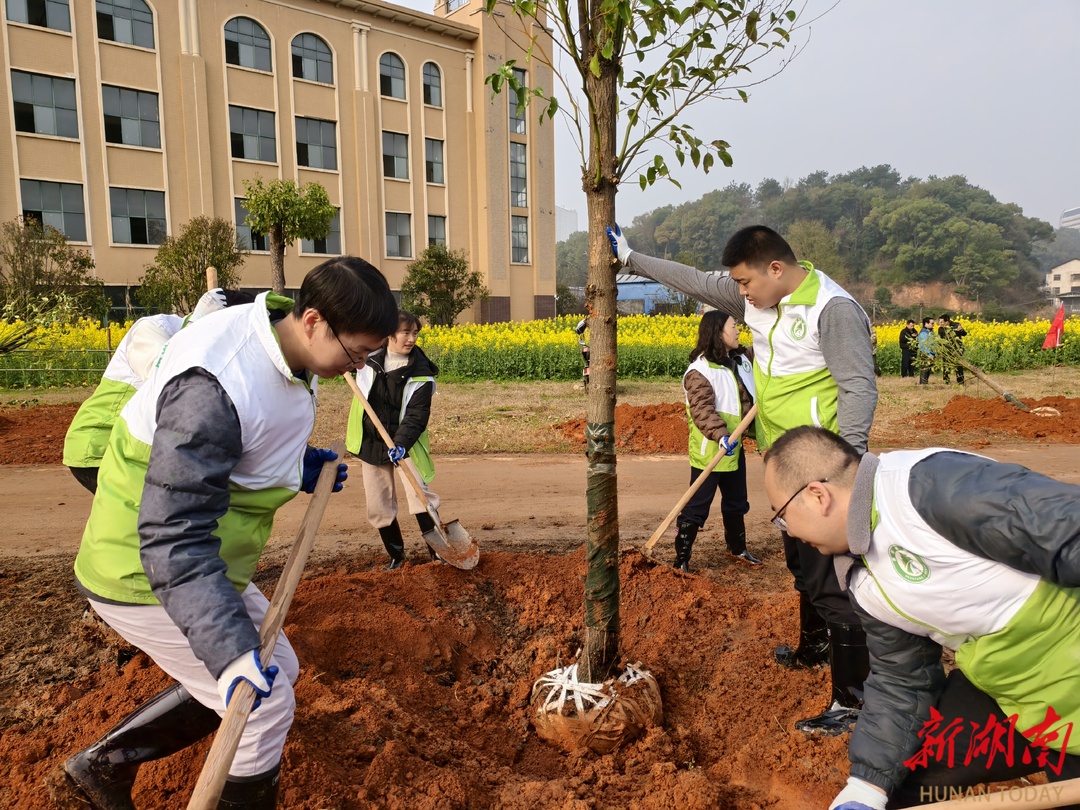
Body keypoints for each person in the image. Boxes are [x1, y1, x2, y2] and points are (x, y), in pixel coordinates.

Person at [48, 257, 398, 810]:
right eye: (355, 353)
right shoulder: (213, 385)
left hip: (205, 563)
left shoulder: (281, 344)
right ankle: (106, 766)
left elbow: (236, 446)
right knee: (262, 706)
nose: (357, 367)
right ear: (312, 320)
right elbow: (170, 534)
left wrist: (294, 467)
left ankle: (104, 765)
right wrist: (230, 653)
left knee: (277, 667)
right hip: (147, 571)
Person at [607, 223, 877, 735]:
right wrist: (631, 258)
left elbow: (859, 389)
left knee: (833, 581)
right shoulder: (754, 297)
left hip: (824, 470)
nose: (740, 294)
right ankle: (813, 648)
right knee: (801, 565)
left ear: (776, 269)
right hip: (782, 461)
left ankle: (854, 702)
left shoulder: (833, 310)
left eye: (746, 283)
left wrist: (850, 471)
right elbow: (690, 281)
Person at [762, 426, 1080, 810]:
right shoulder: (861, 576)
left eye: (782, 517)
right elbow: (902, 679)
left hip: (1071, 686)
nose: (790, 532)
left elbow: (1068, 530)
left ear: (817, 495)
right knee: (903, 785)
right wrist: (867, 786)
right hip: (1010, 692)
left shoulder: (933, 489)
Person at [62, 289, 255, 494]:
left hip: (140, 449)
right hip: (101, 443)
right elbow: (170, 378)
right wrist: (195, 328)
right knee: (166, 512)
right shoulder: (152, 328)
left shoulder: (218, 354)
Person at [345, 309, 441, 570]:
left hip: (405, 444)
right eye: (405, 333)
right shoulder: (368, 361)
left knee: (420, 496)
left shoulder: (421, 373)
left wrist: (400, 443)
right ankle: (397, 557)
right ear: (389, 335)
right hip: (371, 441)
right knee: (379, 504)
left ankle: (439, 553)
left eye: (415, 334)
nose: (411, 339)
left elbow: (417, 415)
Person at [675, 309, 762, 573]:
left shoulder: (741, 360)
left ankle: (737, 548)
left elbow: (767, 350)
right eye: (733, 327)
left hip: (734, 449)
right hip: (711, 449)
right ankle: (681, 558)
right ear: (717, 333)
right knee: (697, 505)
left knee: (736, 501)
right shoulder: (699, 371)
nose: (737, 331)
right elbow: (702, 409)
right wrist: (721, 435)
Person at [937, 314, 967, 385]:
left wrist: (961, 329)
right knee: (946, 365)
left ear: (947, 321)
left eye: (942, 322)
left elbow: (964, 334)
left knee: (958, 365)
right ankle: (946, 381)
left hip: (957, 349)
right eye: (939, 322)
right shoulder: (940, 328)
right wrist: (955, 329)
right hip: (946, 349)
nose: (940, 324)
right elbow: (945, 334)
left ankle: (961, 381)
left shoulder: (956, 324)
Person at [916, 317, 936, 386]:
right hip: (926, 354)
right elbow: (923, 346)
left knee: (928, 369)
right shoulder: (923, 333)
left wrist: (936, 352)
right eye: (932, 323)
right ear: (926, 323)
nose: (933, 325)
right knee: (925, 368)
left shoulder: (931, 332)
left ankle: (925, 383)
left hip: (932, 354)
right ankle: (923, 384)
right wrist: (928, 354)